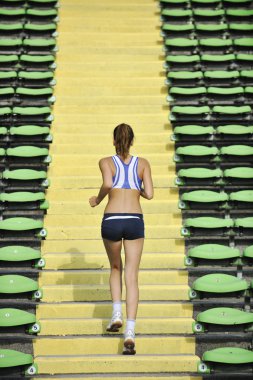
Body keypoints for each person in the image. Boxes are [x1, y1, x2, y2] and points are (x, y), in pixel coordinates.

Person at [89, 123, 153, 355]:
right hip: (135, 219)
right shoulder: (143, 163)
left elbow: (108, 183)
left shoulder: (105, 161)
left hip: (112, 218)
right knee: (132, 276)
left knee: (116, 267)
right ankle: (130, 332)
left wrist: (97, 200)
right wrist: (138, 190)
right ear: (132, 140)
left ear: (114, 140)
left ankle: (116, 314)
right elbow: (150, 194)